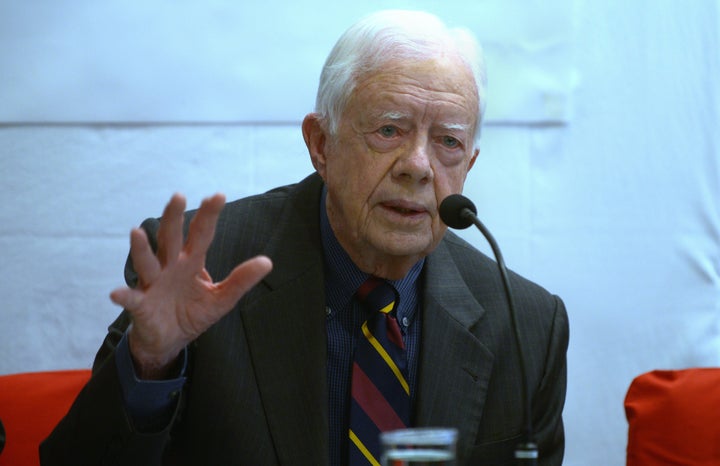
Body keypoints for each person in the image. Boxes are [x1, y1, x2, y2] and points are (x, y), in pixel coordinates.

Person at [40, 9, 568, 466]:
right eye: (389, 130)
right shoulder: (204, 270)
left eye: (448, 142)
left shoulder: (525, 327)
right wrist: (151, 364)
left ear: (469, 165)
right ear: (320, 144)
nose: (418, 166)